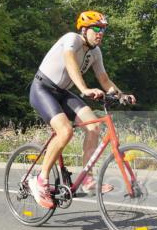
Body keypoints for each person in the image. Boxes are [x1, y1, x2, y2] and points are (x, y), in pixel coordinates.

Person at [27, 11, 136, 209]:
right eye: (96, 29)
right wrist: (84, 89)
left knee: (94, 127)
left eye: (102, 29)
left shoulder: (95, 53)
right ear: (84, 30)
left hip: (63, 92)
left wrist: (121, 95)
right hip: (43, 89)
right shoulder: (72, 39)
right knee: (65, 131)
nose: (100, 33)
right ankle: (40, 180)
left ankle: (87, 179)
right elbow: (70, 62)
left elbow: (104, 80)